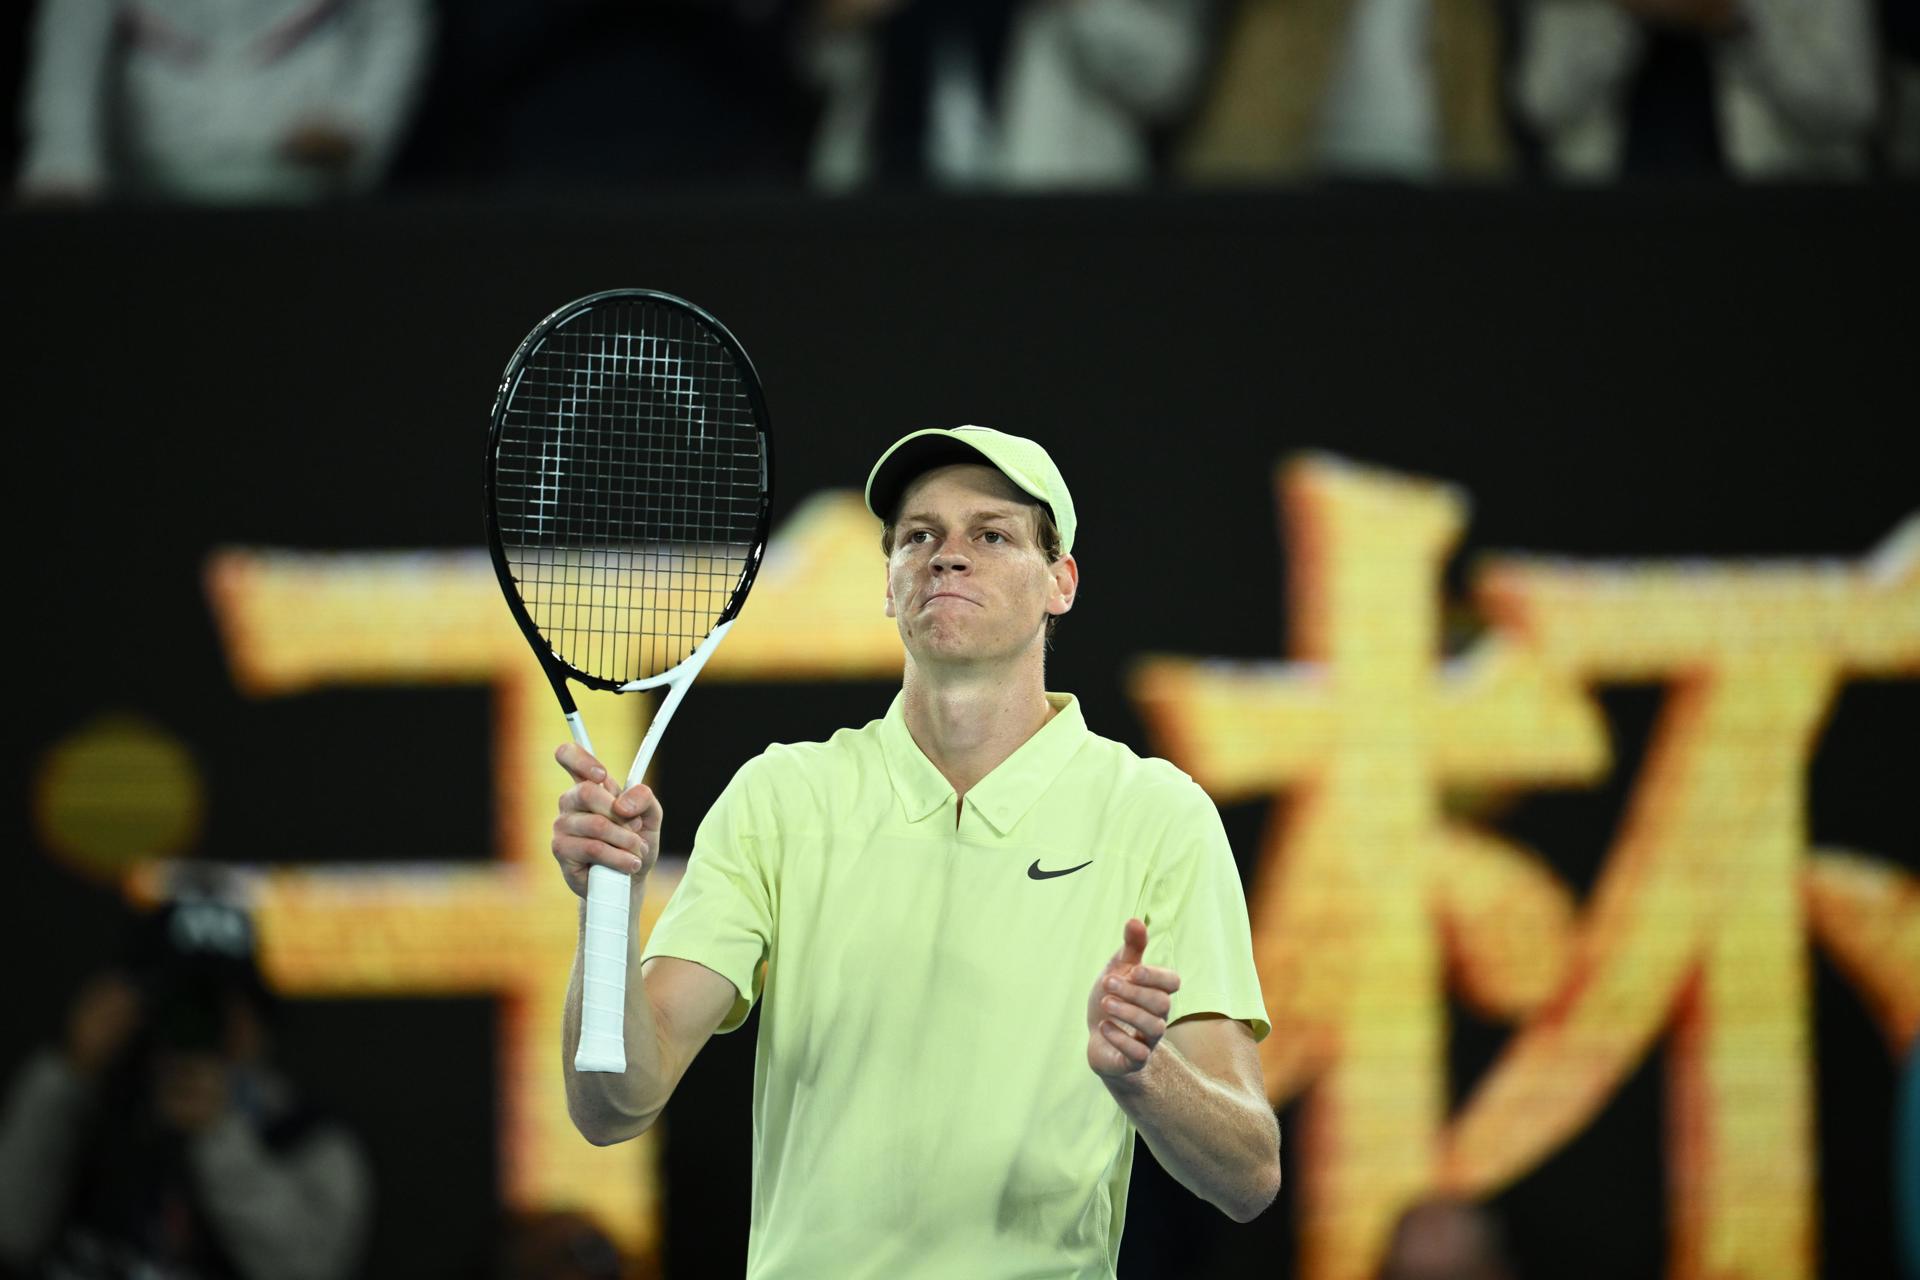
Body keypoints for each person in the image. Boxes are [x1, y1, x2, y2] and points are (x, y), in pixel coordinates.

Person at [550, 426, 1280, 1276]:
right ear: (890, 586)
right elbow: (614, 1104)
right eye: (918, 536)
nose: (947, 556)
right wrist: (610, 900)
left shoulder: (1158, 815)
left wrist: (1146, 1075)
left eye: (992, 534)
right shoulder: (782, 797)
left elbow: (1250, 1173)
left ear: (1061, 582)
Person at [0, 894, 371, 1280]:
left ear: (260, 1023)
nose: (192, 1024)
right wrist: (70, 1072)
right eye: (173, 1001)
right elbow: (10, 1232)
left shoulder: (306, 1139)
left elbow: (310, 1270)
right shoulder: (82, 1106)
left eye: (214, 1006)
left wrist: (221, 1136)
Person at [15, 0, 432, 203]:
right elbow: (72, 31)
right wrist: (63, 154)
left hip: (307, 186)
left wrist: (354, 124)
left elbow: (395, 21)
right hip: (146, 191)